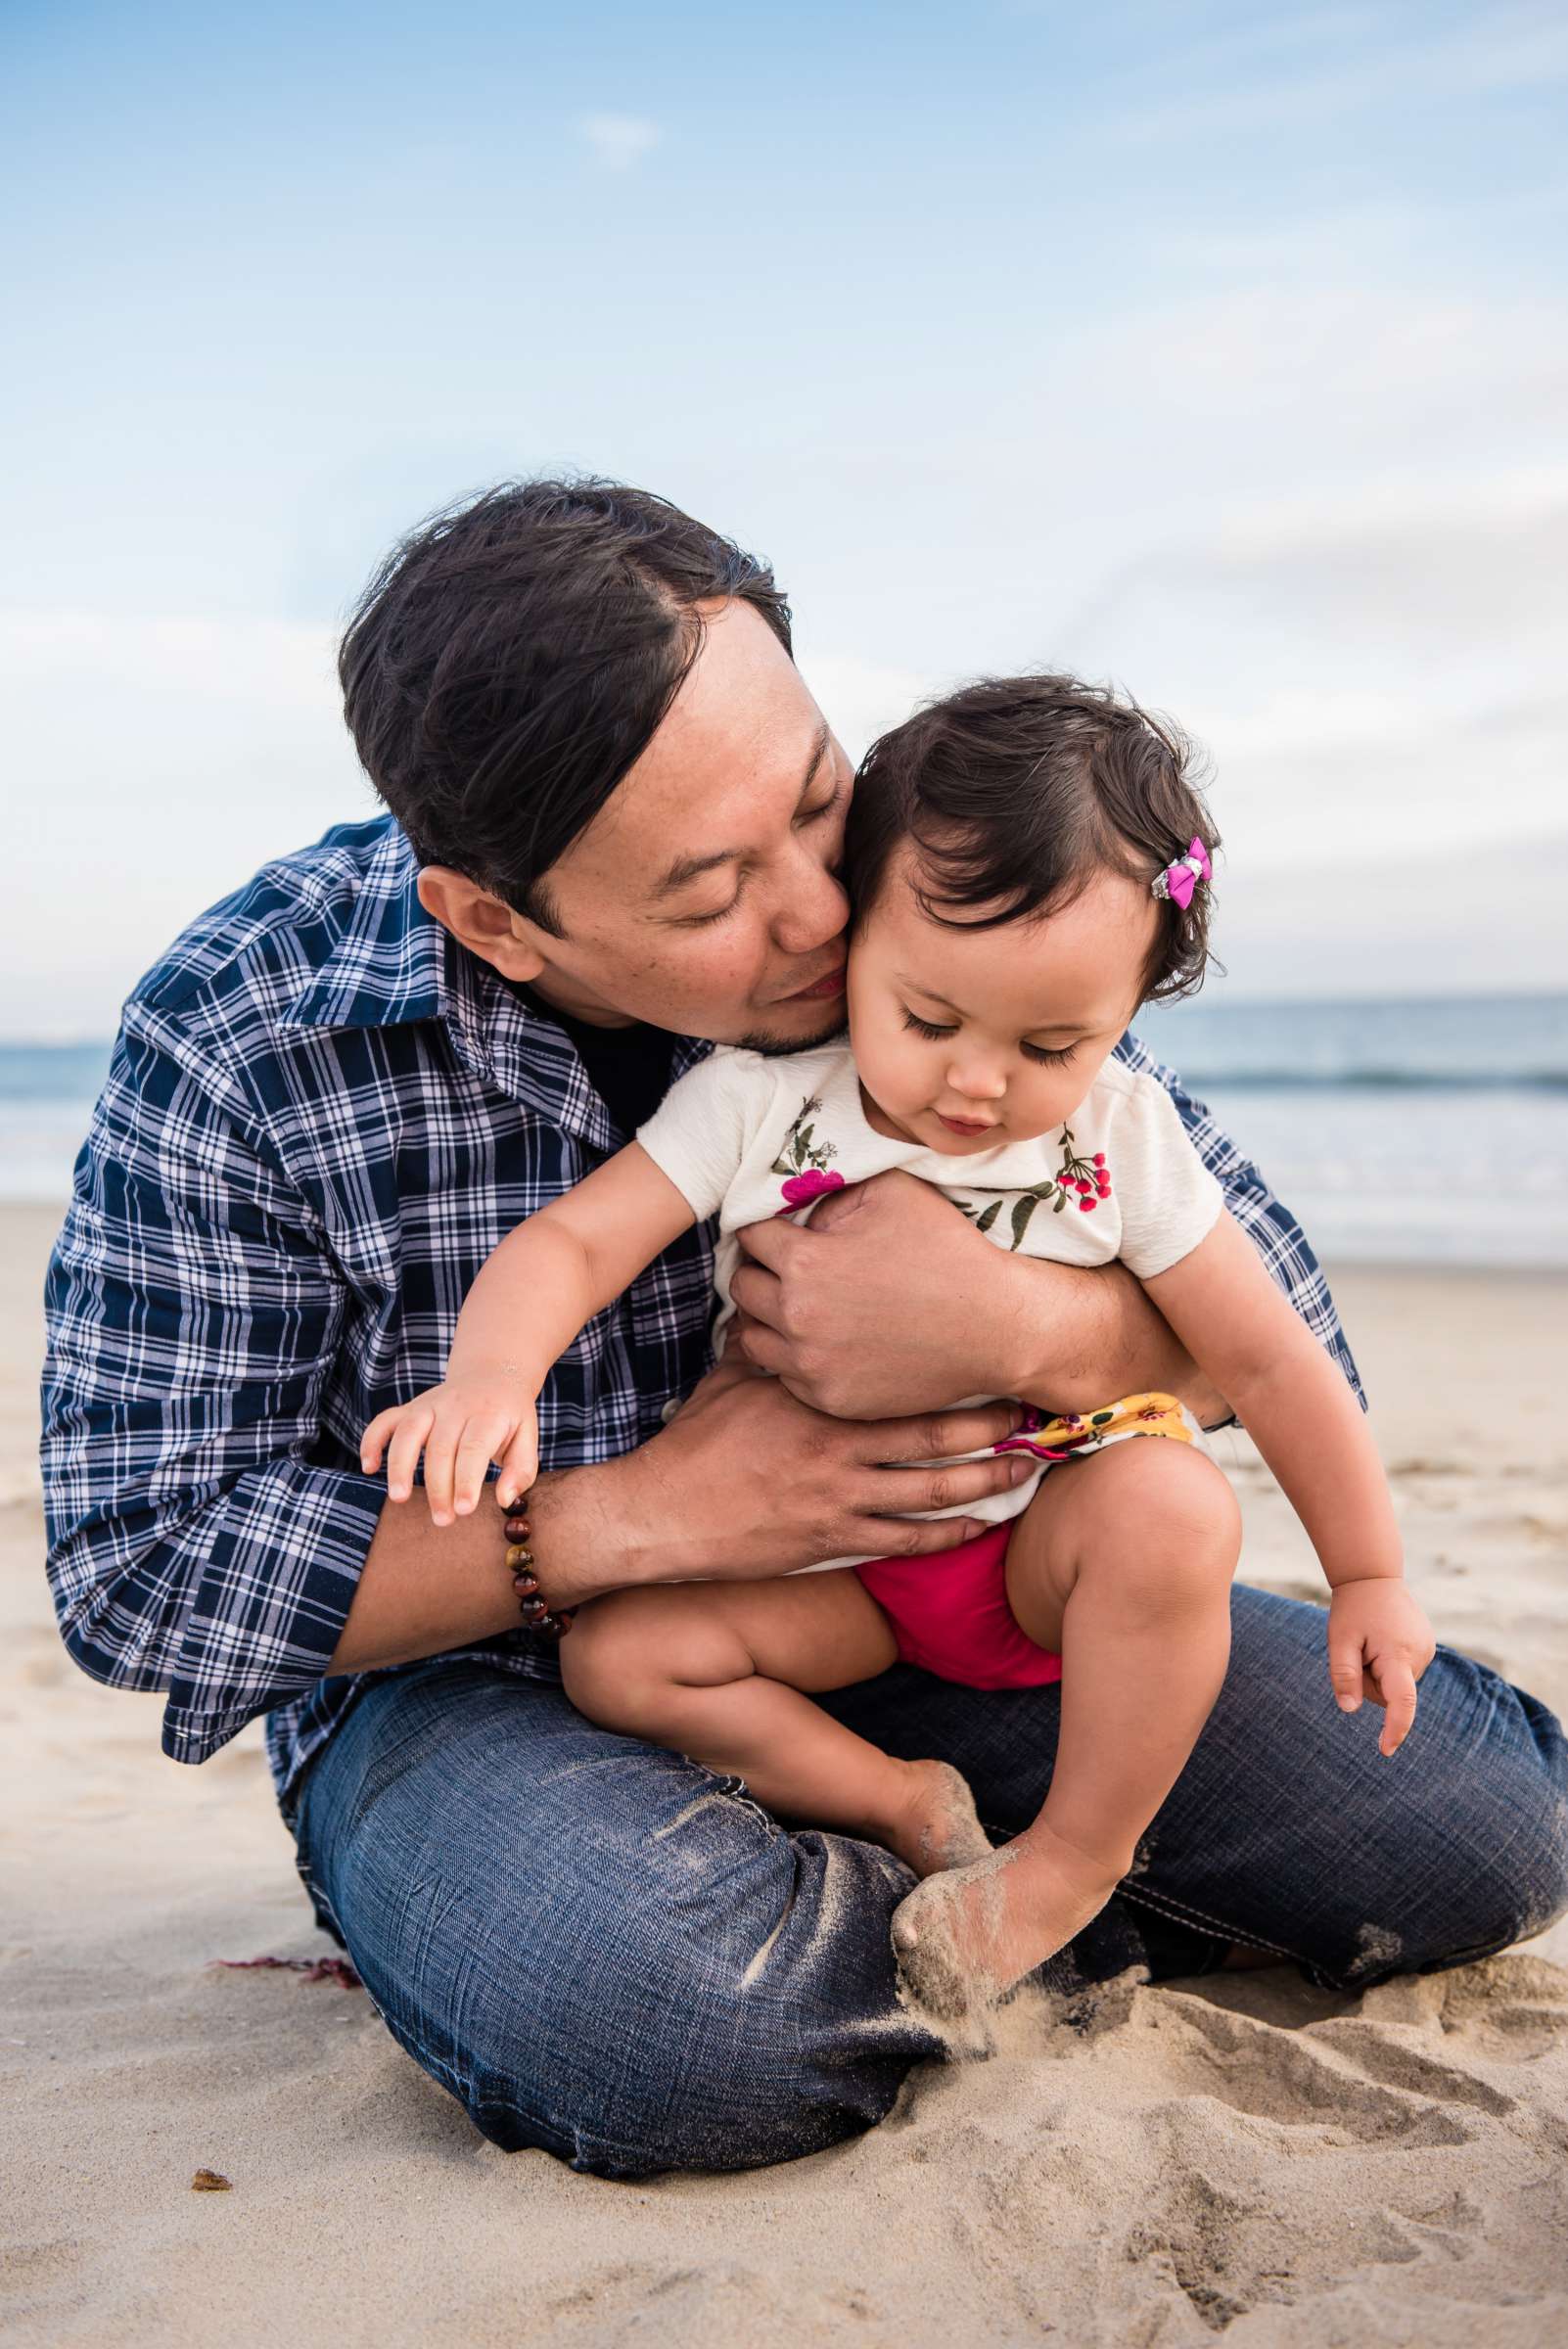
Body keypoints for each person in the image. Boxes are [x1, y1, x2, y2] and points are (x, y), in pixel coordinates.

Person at [40, 481, 1568, 2178]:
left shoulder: (929, 919)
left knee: (1475, 1832)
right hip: (480, 1684)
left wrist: (1021, 1327)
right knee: (669, 2022)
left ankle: (990, 1896)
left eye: (817, 804)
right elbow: (144, 1575)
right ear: (494, 918)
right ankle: (857, 1907)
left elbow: (1274, 1330)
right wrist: (645, 1519)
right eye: (707, 896)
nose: (823, 916)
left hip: (938, 1594)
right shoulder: (246, 1032)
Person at [358, 672, 1437, 2019]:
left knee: (1167, 1501)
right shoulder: (758, 1104)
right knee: (618, 1662)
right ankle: (898, 1801)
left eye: (1052, 1041)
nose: (977, 1082)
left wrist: (1370, 1574)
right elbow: (573, 1243)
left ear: (1124, 1018)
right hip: (843, 1582)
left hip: (1040, 1553)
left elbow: (1273, 1361)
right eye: (927, 1020)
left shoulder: (1114, 1136)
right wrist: (487, 1382)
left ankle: (1070, 1863)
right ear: (857, 932)